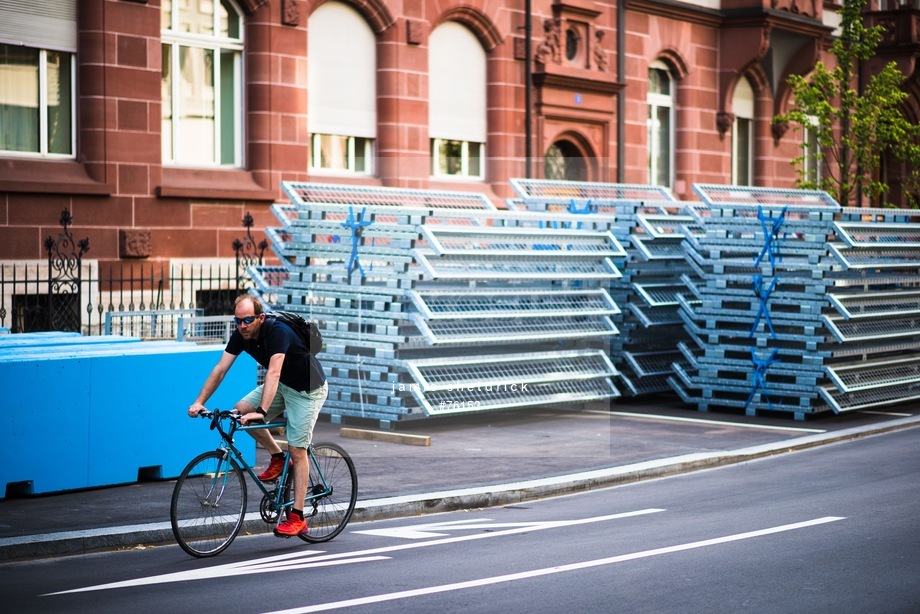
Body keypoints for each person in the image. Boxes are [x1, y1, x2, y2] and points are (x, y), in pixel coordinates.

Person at [187, 295, 328, 537]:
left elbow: (272, 373)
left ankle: (298, 516)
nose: (242, 325)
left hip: (307, 390)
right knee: (239, 410)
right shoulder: (241, 335)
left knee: (297, 448)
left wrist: (261, 412)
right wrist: (200, 402)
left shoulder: (277, 332)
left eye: (248, 320)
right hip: (283, 385)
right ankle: (277, 457)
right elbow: (220, 369)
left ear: (260, 318)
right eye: (238, 321)